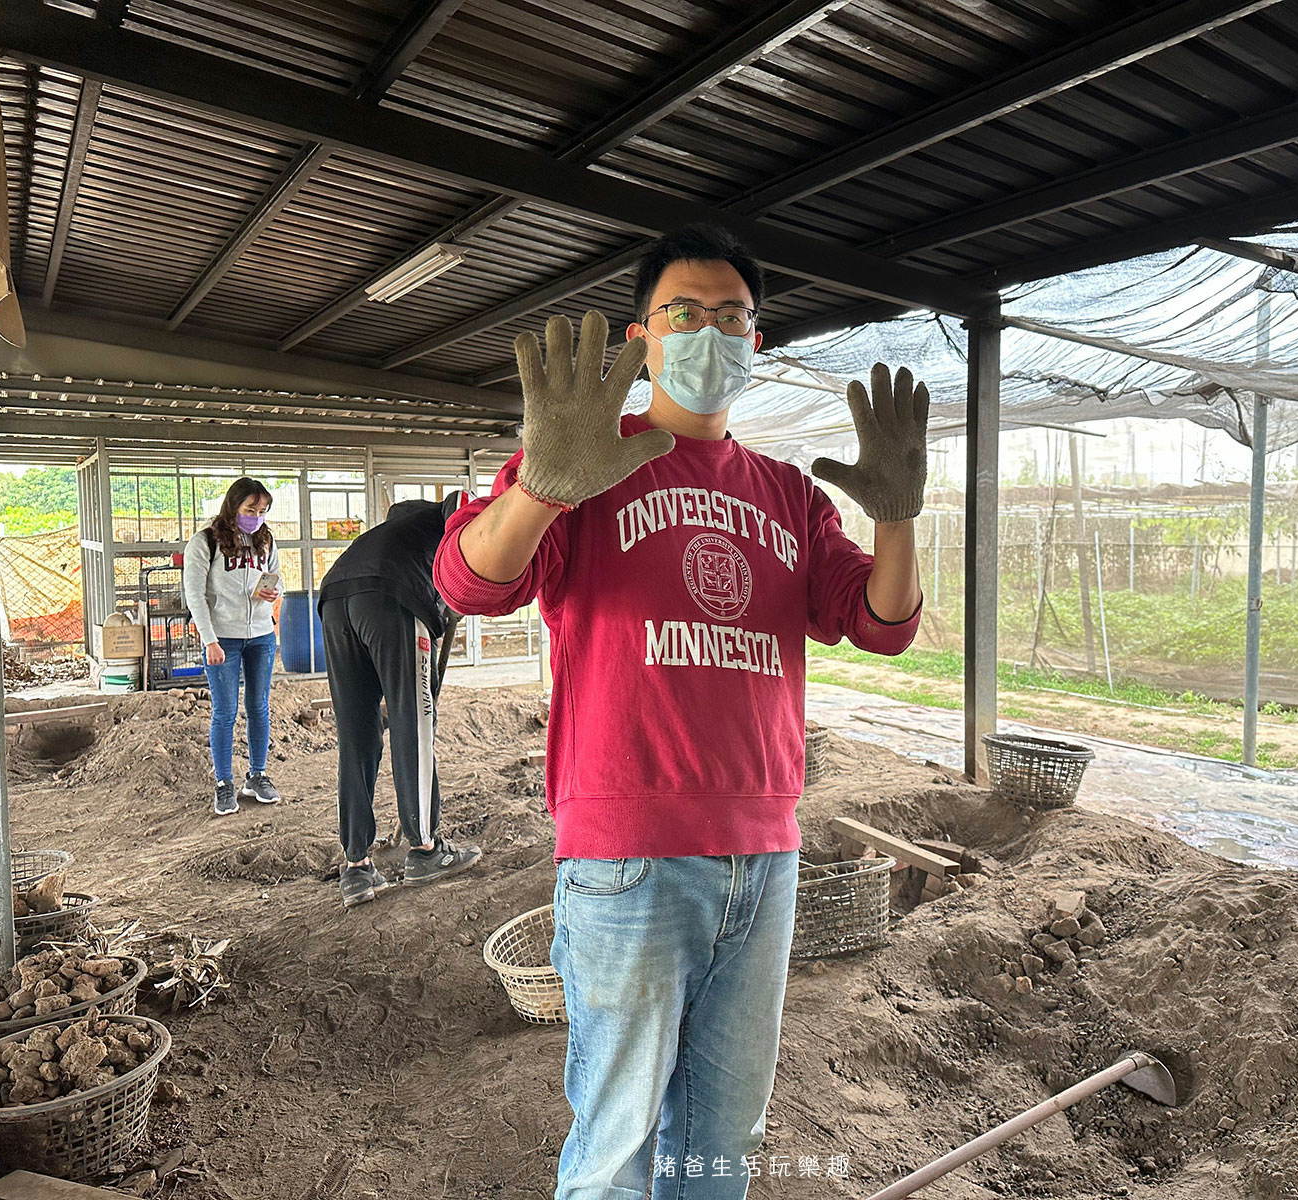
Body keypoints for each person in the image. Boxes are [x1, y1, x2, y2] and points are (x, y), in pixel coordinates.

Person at [433, 224, 927, 1200]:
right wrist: (539, 488)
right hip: (632, 859)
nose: (712, 333)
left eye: (733, 317)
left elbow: (880, 623)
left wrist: (899, 517)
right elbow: (467, 582)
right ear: (643, 336)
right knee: (618, 1147)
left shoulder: (787, 496)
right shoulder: (586, 460)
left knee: (720, 1142)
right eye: (686, 314)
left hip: (765, 857)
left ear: (757, 340)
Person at [318, 491, 484, 908]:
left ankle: (356, 866)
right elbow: (463, 503)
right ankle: (426, 850)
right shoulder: (438, 520)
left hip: (335, 597)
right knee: (415, 723)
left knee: (357, 732)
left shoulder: (389, 534)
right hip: (391, 596)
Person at [183, 476, 283, 818]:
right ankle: (224, 783)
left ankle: (257, 775)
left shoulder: (265, 540)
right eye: (250, 509)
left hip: (260, 634)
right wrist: (209, 639)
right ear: (233, 506)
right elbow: (194, 594)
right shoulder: (205, 542)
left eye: (263, 510)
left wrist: (272, 592)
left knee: (259, 707)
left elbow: (277, 578)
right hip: (222, 638)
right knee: (225, 712)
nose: (257, 516)